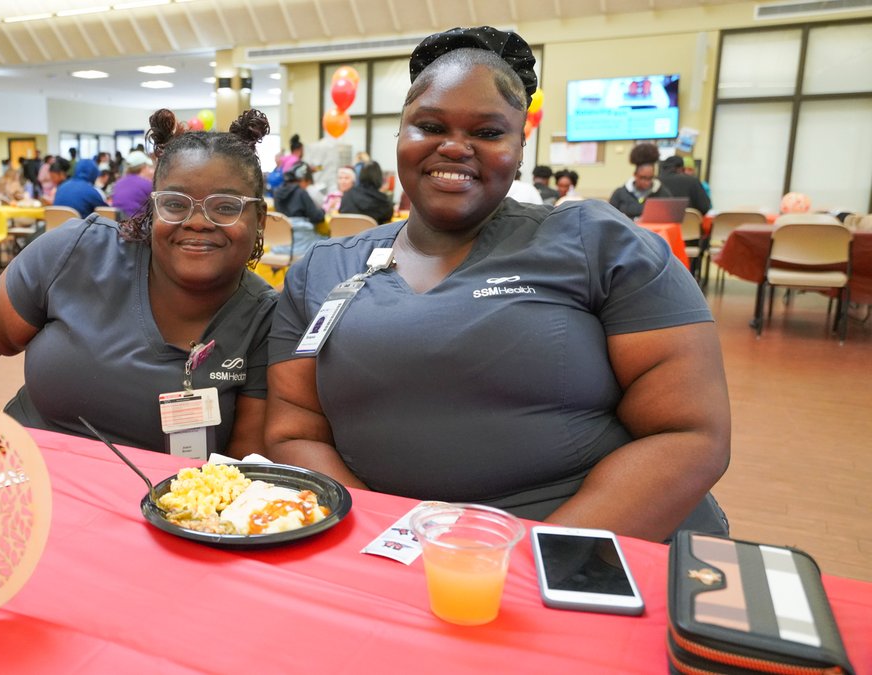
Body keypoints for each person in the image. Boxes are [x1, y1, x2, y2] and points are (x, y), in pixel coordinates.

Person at [264, 26, 730, 543]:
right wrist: (377, 541)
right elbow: (294, 429)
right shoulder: (321, 270)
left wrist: (528, 563)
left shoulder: (599, 245)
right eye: (429, 126)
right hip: (388, 548)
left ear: (520, 147)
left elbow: (689, 433)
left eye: (487, 132)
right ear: (400, 136)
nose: (454, 147)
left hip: (591, 548)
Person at [0, 109, 279, 456]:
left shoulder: (264, 320)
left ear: (259, 218)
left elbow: (239, 467)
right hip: (20, 476)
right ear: (153, 209)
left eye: (226, 207)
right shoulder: (79, 253)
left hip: (160, 511)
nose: (197, 222)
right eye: (175, 204)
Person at [273, 160, 326, 257]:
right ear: (301, 179)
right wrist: (323, 211)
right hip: (303, 244)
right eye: (307, 181)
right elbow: (316, 217)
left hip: (281, 246)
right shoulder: (301, 193)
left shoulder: (277, 194)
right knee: (328, 241)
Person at [609, 143, 672, 219]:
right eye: (643, 178)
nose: (647, 182)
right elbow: (610, 217)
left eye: (650, 178)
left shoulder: (663, 193)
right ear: (635, 175)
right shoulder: (620, 194)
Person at [112, 149, 155, 219]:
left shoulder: (119, 182)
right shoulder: (147, 184)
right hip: (135, 222)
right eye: (149, 167)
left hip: (116, 222)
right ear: (143, 167)